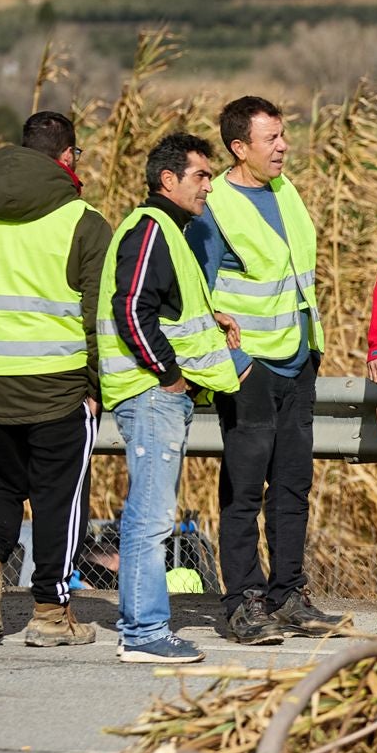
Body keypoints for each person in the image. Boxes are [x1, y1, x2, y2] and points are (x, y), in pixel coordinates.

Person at [0, 111, 111, 645]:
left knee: (4, 483)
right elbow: (99, 316)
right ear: (67, 157)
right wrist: (97, 386)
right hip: (60, 388)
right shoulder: (83, 220)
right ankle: (51, 614)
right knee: (60, 498)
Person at [187, 96, 343, 644]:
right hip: (250, 367)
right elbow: (198, 293)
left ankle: (289, 593)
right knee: (246, 489)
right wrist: (235, 362)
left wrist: (312, 347)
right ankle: (244, 602)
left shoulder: (285, 191)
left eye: (282, 136)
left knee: (293, 485)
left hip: (299, 359)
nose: (282, 147)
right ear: (239, 147)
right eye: (270, 139)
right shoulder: (215, 209)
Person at [98, 132, 247, 663]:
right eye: (200, 175)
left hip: (156, 395)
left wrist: (212, 319)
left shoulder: (168, 231)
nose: (209, 184)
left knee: (150, 512)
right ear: (168, 180)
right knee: (151, 516)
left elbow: (161, 308)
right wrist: (167, 376)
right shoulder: (151, 229)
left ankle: (143, 628)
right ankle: (143, 632)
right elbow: (132, 306)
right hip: (150, 396)